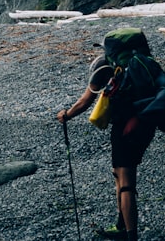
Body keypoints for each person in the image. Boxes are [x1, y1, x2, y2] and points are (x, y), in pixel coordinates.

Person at [57, 55, 156, 241]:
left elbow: (85, 101)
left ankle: (130, 235)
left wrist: (66, 115)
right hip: (146, 123)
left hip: (124, 128)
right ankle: (121, 225)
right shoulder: (138, 61)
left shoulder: (103, 65)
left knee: (126, 181)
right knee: (118, 173)